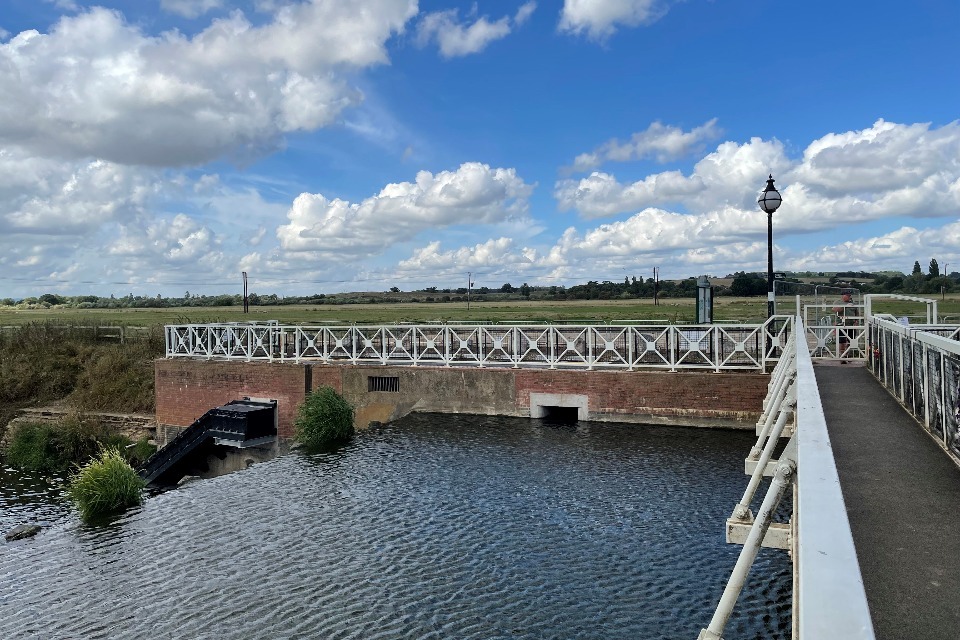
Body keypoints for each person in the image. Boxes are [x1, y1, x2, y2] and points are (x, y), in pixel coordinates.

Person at [833, 293, 860, 363]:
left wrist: (856, 321)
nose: (849, 297)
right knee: (842, 341)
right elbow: (835, 310)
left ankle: (847, 354)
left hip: (851, 325)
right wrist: (845, 306)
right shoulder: (838, 302)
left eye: (849, 295)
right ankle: (842, 357)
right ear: (843, 296)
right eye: (847, 295)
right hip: (841, 324)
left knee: (851, 341)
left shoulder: (853, 303)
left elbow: (856, 313)